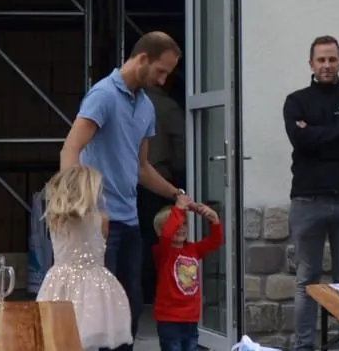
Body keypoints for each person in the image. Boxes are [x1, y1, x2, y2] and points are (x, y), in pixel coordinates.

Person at [60, 32, 190, 351]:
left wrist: (175, 193)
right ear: (142, 59)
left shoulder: (146, 106)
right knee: (98, 315)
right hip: (99, 224)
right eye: (160, 71)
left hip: (129, 223)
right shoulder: (103, 95)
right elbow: (70, 150)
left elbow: (141, 167)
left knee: (129, 309)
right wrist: (86, 209)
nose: (163, 80)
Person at [283, 35, 339, 351]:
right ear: (311, 64)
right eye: (321, 60)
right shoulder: (296, 101)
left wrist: (316, 135)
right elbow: (300, 140)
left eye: (332, 59)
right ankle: (304, 346)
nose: (326, 65)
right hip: (307, 199)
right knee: (306, 279)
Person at [37, 166, 133, 351]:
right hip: (93, 286)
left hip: (60, 283)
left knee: (60, 338)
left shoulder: (54, 219)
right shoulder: (102, 219)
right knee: (87, 337)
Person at [152, 202, 223, 351]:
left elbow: (215, 241)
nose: (181, 228)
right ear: (161, 230)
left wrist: (214, 219)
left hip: (191, 317)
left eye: (184, 224)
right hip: (169, 319)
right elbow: (167, 235)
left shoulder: (193, 249)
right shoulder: (163, 251)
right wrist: (179, 208)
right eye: (175, 225)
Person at [139, 81, 185, 308]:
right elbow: (182, 147)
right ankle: (159, 292)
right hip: (158, 181)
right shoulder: (167, 107)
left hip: (133, 184)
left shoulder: (133, 104)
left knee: (139, 240)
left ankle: (142, 294)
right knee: (160, 240)